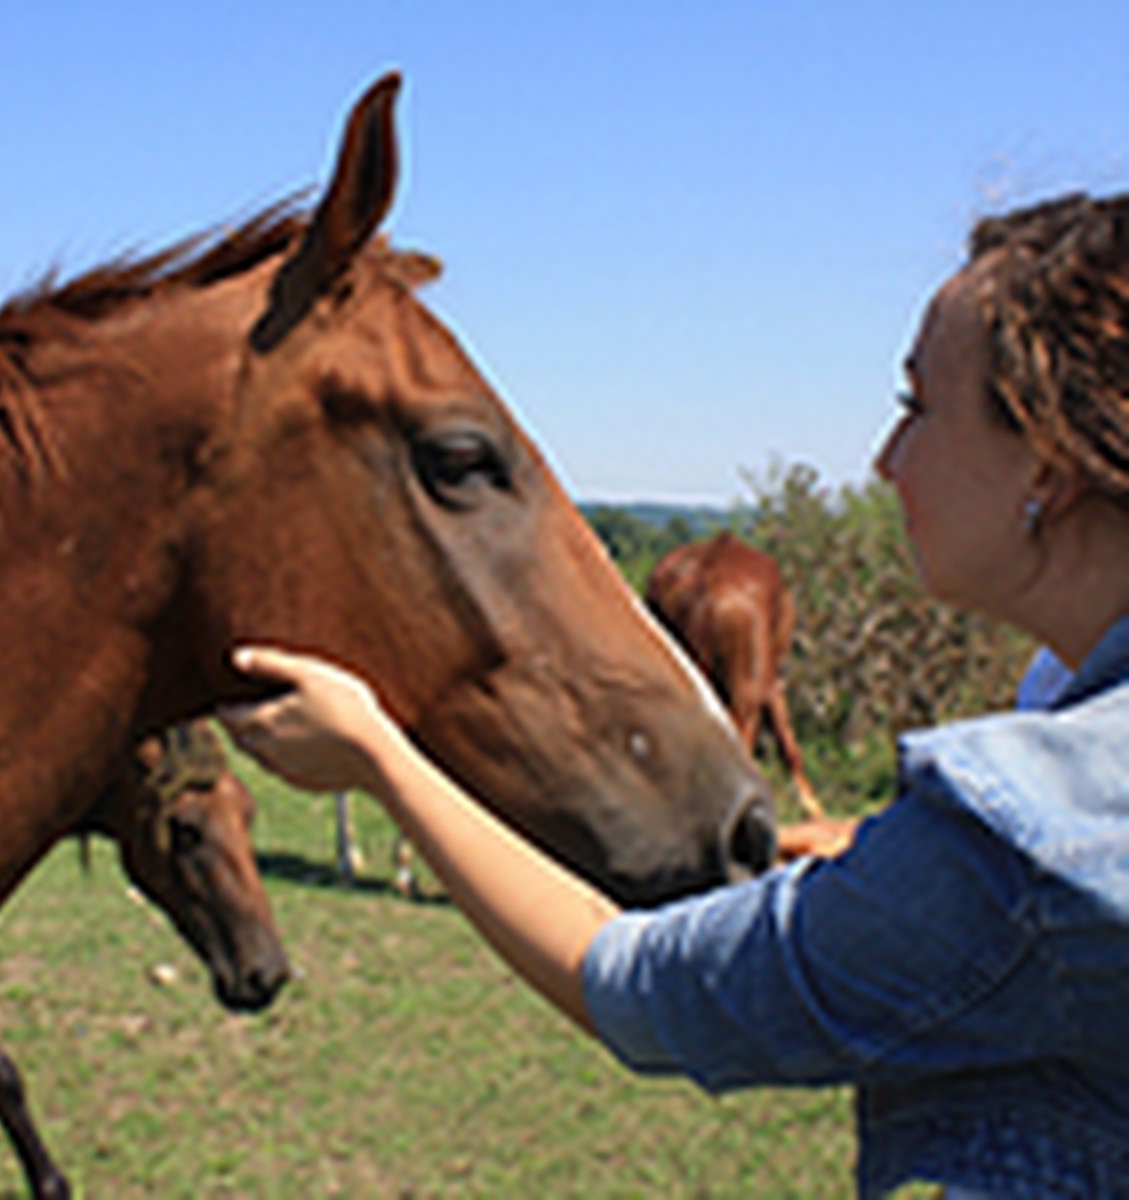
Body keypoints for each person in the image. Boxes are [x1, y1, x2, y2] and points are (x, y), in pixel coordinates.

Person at [219, 192, 1129, 1199]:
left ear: (1047, 462)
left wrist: (381, 757)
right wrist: (894, 845)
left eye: (917, 405)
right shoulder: (1062, 751)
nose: (885, 458)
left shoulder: (1038, 834)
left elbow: (637, 987)